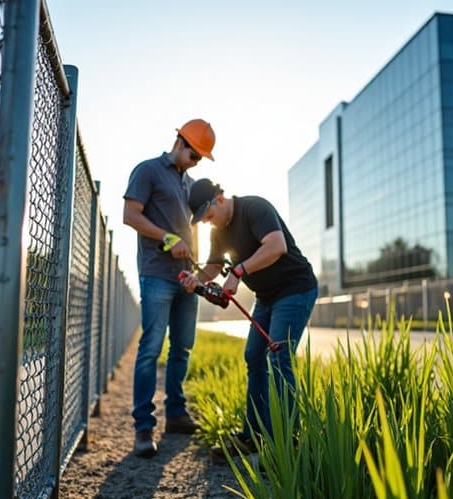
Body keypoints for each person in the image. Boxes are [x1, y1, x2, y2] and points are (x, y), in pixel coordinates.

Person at [180, 178, 318, 457]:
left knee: (279, 358)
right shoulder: (218, 232)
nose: (208, 223)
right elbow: (215, 266)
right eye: (203, 221)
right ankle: (252, 436)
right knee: (253, 356)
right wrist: (196, 280)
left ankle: (285, 446)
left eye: (208, 216)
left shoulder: (255, 208)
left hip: (295, 288)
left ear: (219, 199)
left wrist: (239, 272)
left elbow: (276, 246)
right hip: (266, 297)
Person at [122, 119, 216, 458]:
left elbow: (194, 228)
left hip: (186, 279)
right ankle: (143, 428)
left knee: (182, 349)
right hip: (157, 274)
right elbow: (130, 215)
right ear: (180, 143)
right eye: (195, 155)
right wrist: (166, 237)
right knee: (151, 348)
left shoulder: (189, 184)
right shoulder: (147, 170)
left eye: (201, 159)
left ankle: (175, 413)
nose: (196, 162)